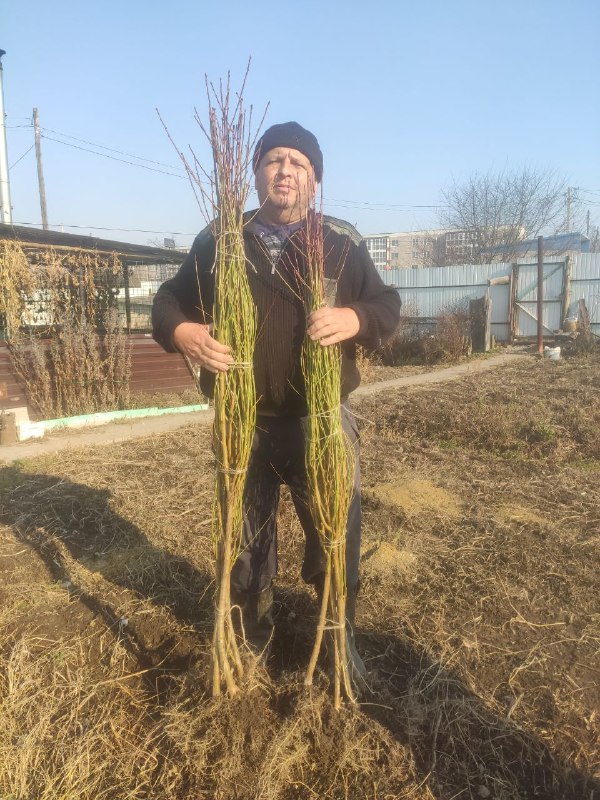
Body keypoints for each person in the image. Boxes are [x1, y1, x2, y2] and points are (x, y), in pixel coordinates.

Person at [152, 121, 401, 680]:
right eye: (273, 160)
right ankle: (248, 640)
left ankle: (339, 643)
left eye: (299, 163)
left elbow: (387, 305)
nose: (285, 170)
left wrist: (354, 317)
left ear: (314, 181)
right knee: (245, 545)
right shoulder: (221, 238)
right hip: (246, 422)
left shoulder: (339, 241)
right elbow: (169, 299)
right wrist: (184, 334)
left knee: (335, 536)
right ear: (257, 171)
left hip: (320, 421)